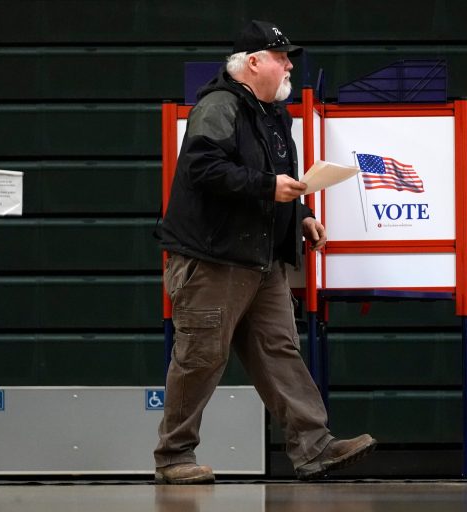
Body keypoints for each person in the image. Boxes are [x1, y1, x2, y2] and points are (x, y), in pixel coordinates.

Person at [154, 20, 376, 484]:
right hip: (212, 261)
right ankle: (173, 458)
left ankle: (314, 448)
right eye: (280, 56)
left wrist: (303, 216)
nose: (289, 64)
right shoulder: (218, 106)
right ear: (253, 63)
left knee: (280, 353)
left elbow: (279, 181)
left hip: (261, 261)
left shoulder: (274, 113)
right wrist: (267, 188)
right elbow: (202, 168)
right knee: (199, 358)